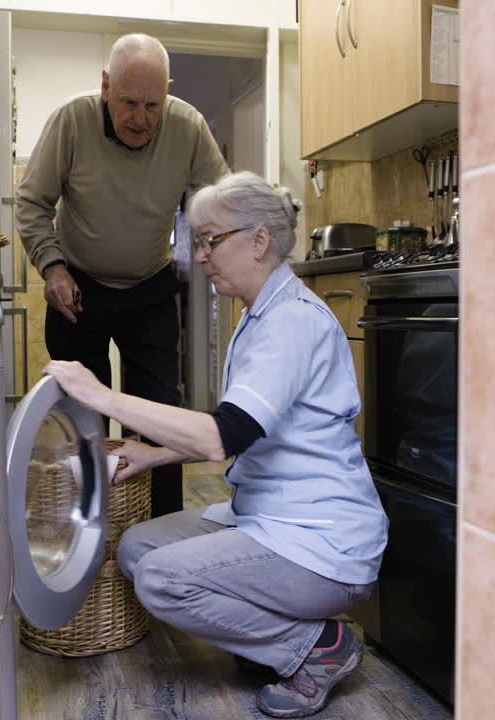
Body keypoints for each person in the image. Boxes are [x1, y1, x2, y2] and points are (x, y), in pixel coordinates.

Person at [43, 172, 388, 718]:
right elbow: (243, 426)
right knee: (138, 548)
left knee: (162, 579)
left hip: (321, 544)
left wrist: (102, 397)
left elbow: (220, 436)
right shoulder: (260, 314)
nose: (199, 255)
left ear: (258, 240)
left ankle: (316, 647)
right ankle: (278, 634)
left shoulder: (290, 324)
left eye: (210, 240)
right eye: (197, 241)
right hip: (271, 519)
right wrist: (156, 454)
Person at [15, 33, 228, 518]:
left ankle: (162, 531)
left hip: (150, 287)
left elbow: (219, 200)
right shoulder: (72, 120)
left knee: (160, 415)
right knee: (80, 419)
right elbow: (31, 202)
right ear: (106, 86)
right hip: (78, 288)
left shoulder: (188, 126)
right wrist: (52, 266)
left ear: (168, 91)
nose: (141, 119)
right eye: (129, 102)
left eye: (153, 105)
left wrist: (208, 247)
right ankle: (84, 536)